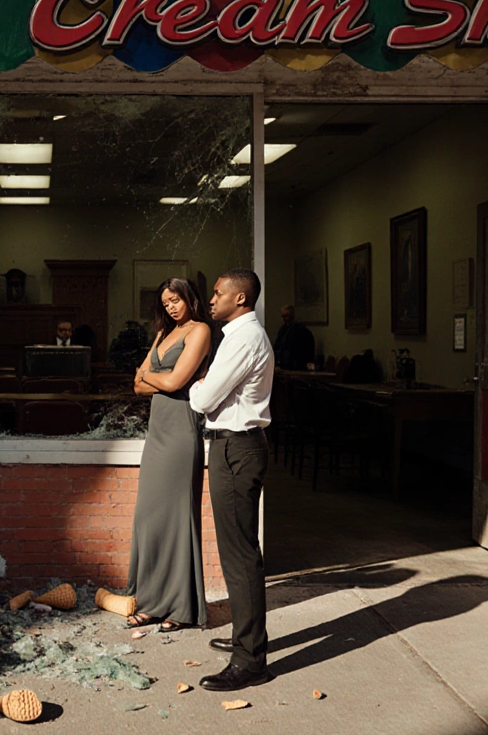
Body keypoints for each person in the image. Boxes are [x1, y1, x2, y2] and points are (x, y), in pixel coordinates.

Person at [188, 268, 276, 692]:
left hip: (237, 448)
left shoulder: (242, 339)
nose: (211, 299)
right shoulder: (239, 336)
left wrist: (198, 388)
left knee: (241, 556)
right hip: (232, 446)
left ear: (240, 299)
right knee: (237, 552)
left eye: (218, 293)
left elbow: (203, 398)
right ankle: (248, 638)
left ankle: (250, 661)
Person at [126, 277, 213, 633]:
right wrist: (156, 375)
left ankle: (179, 606)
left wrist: (152, 374)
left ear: (190, 298)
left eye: (176, 299)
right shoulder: (163, 335)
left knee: (178, 518)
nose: (171, 307)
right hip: (157, 433)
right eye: (165, 302)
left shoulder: (201, 331)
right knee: (149, 518)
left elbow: (176, 383)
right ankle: (150, 602)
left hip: (180, 432)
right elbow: (136, 384)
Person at [272, 304, 315, 370]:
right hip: (283, 363)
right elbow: (277, 345)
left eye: (286, 316)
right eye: (283, 316)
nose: (284, 318)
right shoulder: (283, 329)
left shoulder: (300, 330)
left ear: (292, 315)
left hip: (294, 364)